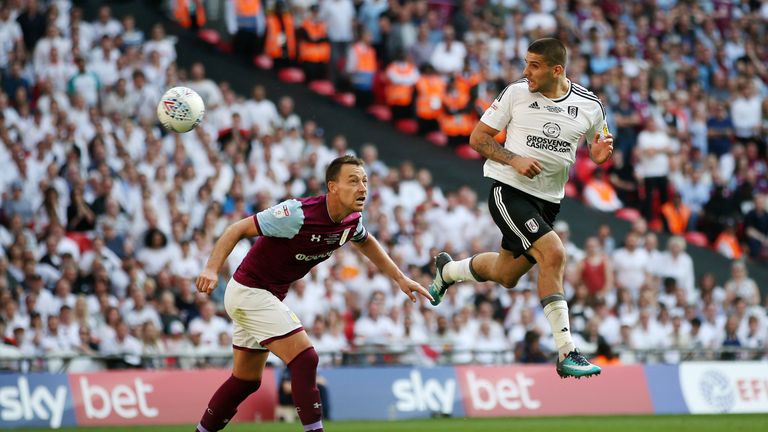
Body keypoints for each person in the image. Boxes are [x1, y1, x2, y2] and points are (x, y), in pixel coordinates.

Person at [193, 156, 432, 432]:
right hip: (250, 291)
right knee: (306, 358)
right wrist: (211, 269)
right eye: (353, 181)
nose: (362, 188)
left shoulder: (352, 219)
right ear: (332, 187)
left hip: (266, 296)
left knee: (246, 380)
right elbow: (237, 228)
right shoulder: (298, 213)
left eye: (365, 181)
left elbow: (366, 241)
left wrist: (400, 278)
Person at [427, 38, 612, 379]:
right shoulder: (515, 94)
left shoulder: (590, 105)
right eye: (526, 63)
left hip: (548, 201)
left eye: (535, 65)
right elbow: (478, 138)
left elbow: (597, 146)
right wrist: (513, 159)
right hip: (509, 190)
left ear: (557, 70)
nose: (526, 71)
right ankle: (568, 351)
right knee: (553, 253)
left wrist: (598, 157)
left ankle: (448, 271)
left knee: (506, 274)